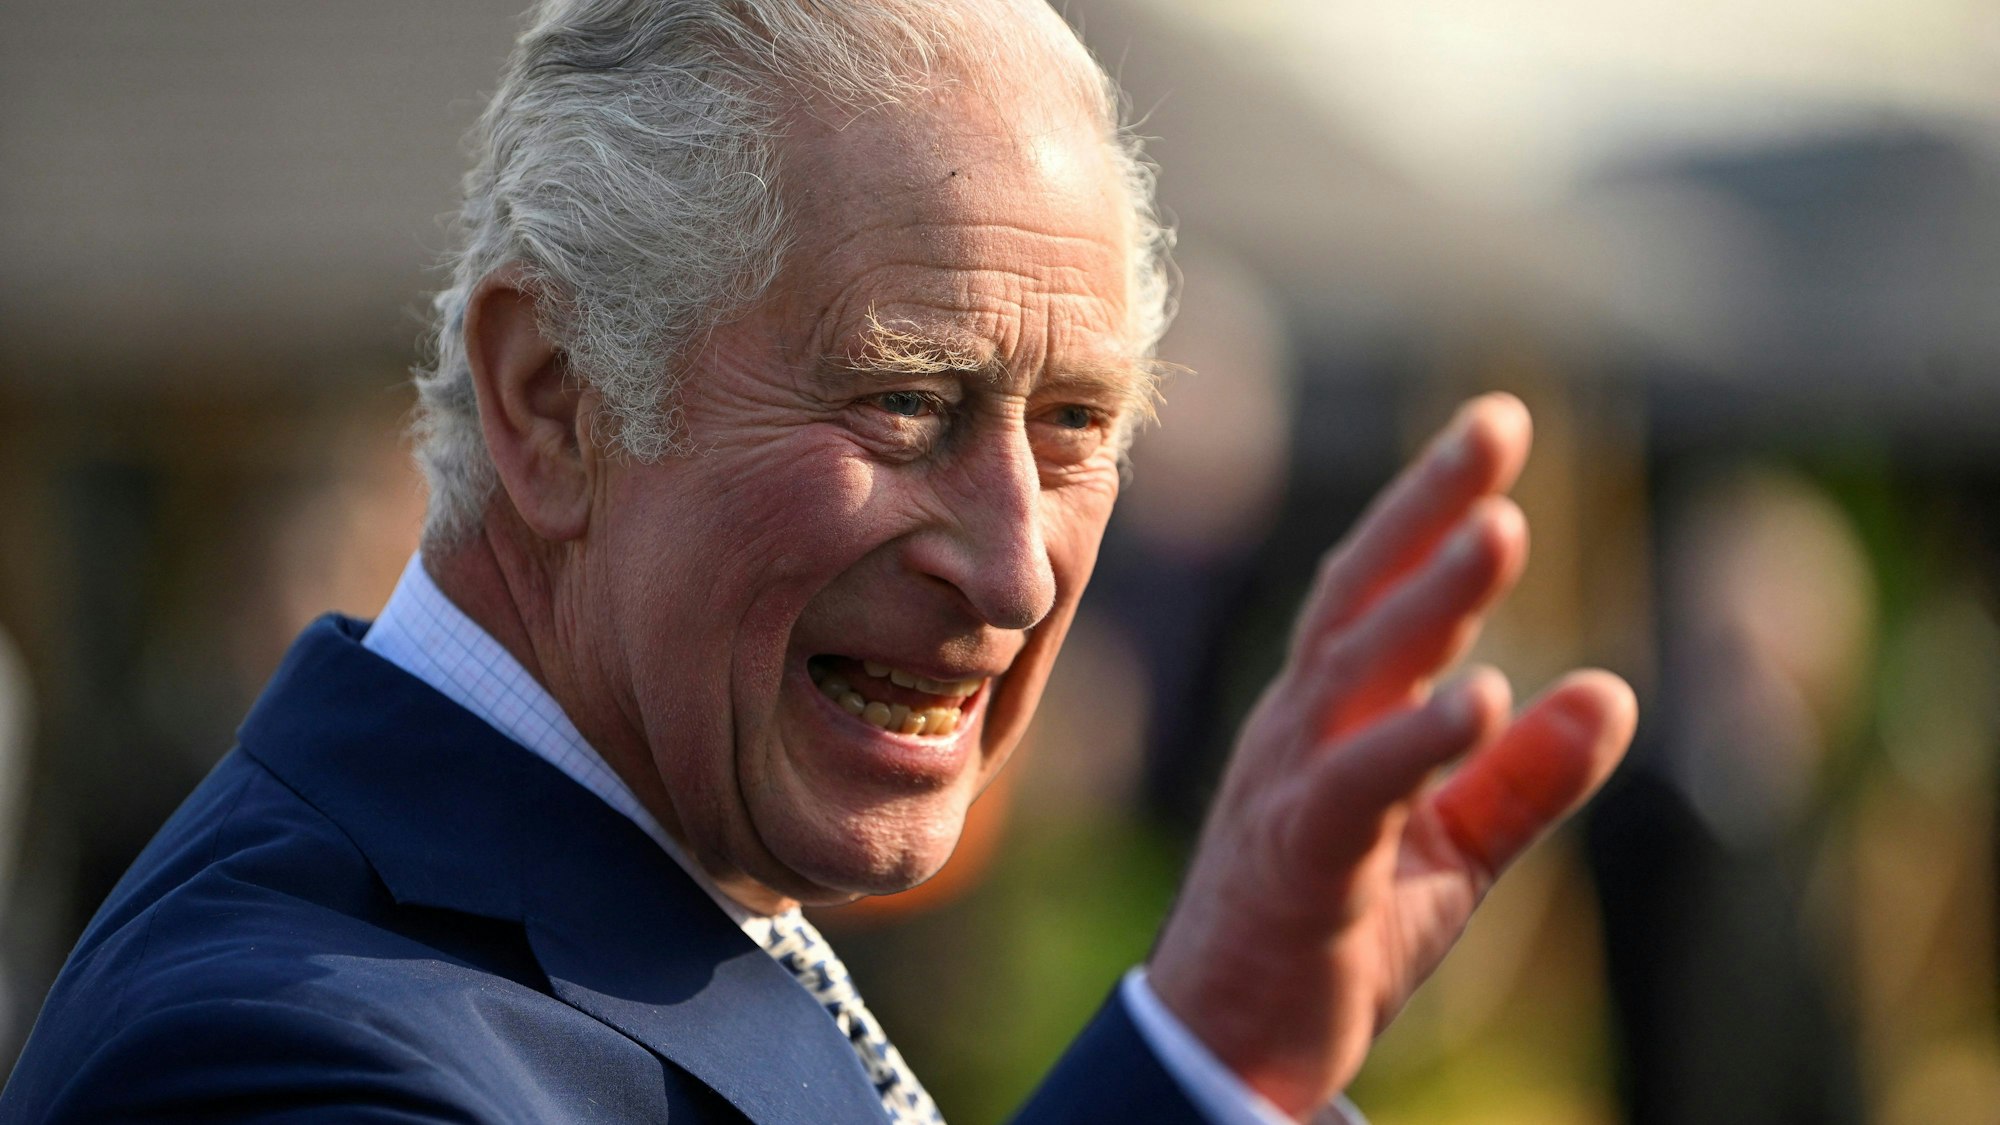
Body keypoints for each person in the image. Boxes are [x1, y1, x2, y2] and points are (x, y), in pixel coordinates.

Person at [0, 1, 1636, 1121]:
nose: (1016, 573)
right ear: (553, 401)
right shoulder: (287, 1055)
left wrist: (1211, 1048)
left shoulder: (653, 885)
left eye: (1075, 423)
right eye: (907, 401)